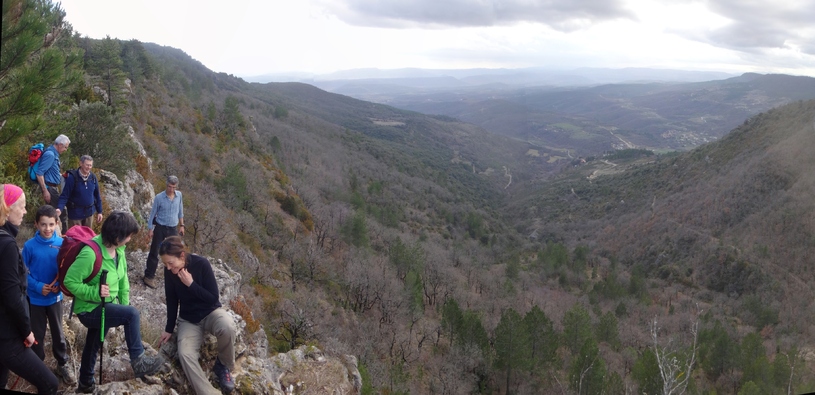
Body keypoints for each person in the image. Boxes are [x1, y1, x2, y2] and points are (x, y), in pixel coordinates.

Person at [64, 211, 166, 393]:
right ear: (117, 237)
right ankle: (139, 362)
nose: (129, 239)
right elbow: (70, 281)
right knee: (132, 314)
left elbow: (123, 281)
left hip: (106, 306)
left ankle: (85, 383)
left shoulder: (118, 250)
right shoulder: (91, 253)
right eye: (128, 236)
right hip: (89, 309)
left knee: (93, 343)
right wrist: (96, 293)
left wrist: (123, 307)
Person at [0, 184, 60, 394]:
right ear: (7, 208)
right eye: (22, 206)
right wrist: (26, 331)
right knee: (50, 384)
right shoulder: (6, 245)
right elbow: (12, 296)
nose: (25, 211)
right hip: (7, 335)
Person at [158, 236, 236, 394]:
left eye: (170, 263)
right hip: (189, 320)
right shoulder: (170, 273)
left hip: (211, 312)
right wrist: (169, 328)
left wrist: (191, 285)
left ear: (181, 256)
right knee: (185, 354)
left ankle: (223, 365)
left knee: (228, 326)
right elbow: (172, 300)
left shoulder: (201, 264)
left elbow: (213, 298)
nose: (167, 267)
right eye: (165, 264)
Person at [22, 205, 76, 384]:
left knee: (58, 333)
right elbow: (21, 274)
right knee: (37, 334)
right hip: (35, 300)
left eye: (51, 224)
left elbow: (67, 270)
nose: (47, 229)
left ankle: (62, 364)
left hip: (55, 299)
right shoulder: (29, 247)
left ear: (57, 223)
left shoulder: (62, 244)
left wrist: (60, 285)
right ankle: (38, 367)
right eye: (43, 224)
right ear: (36, 224)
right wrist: (37, 287)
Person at [144, 175, 185, 289]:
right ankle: (149, 276)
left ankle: (175, 277)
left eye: (173, 187)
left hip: (173, 228)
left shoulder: (179, 196)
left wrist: (182, 225)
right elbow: (153, 213)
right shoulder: (159, 197)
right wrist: (150, 228)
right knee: (155, 251)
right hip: (160, 227)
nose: (171, 189)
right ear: (166, 185)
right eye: (169, 186)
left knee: (175, 252)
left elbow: (180, 211)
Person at [56, 155, 103, 229]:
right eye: (87, 165)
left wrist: (99, 211)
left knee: (87, 238)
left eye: (90, 165)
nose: (89, 167)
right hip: (75, 215)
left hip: (89, 214)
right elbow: (65, 195)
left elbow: (97, 195)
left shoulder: (93, 178)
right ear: (81, 163)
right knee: (75, 238)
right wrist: (59, 208)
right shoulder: (72, 178)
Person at [35, 134, 70, 232]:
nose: (65, 150)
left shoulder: (53, 154)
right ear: (60, 145)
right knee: (61, 212)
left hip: (52, 187)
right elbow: (39, 173)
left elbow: (50, 170)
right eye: (65, 147)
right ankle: (63, 237)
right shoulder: (50, 154)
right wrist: (45, 191)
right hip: (50, 188)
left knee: (55, 213)